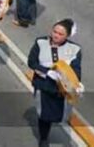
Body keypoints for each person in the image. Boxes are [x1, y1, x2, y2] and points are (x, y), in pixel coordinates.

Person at [27, 18, 82, 147]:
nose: (56, 35)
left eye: (60, 34)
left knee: (59, 114)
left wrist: (77, 84)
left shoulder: (74, 49)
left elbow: (76, 70)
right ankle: (44, 138)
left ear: (67, 36)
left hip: (61, 88)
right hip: (43, 85)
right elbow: (32, 62)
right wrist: (47, 72)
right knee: (44, 114)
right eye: (55, 31)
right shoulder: (40, 42)